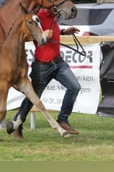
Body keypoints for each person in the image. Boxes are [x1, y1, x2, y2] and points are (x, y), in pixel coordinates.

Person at [6, 7, 81, 138]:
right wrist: (43, 35)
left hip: (58, 62)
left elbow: (53, 32)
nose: (58, 7)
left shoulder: (54, 15)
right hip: (42, 66)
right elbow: (23, 35)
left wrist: (63, 31)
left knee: (74, 87)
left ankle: (63, 120)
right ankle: (16, 124)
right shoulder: (38, 16)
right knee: (33, 97)